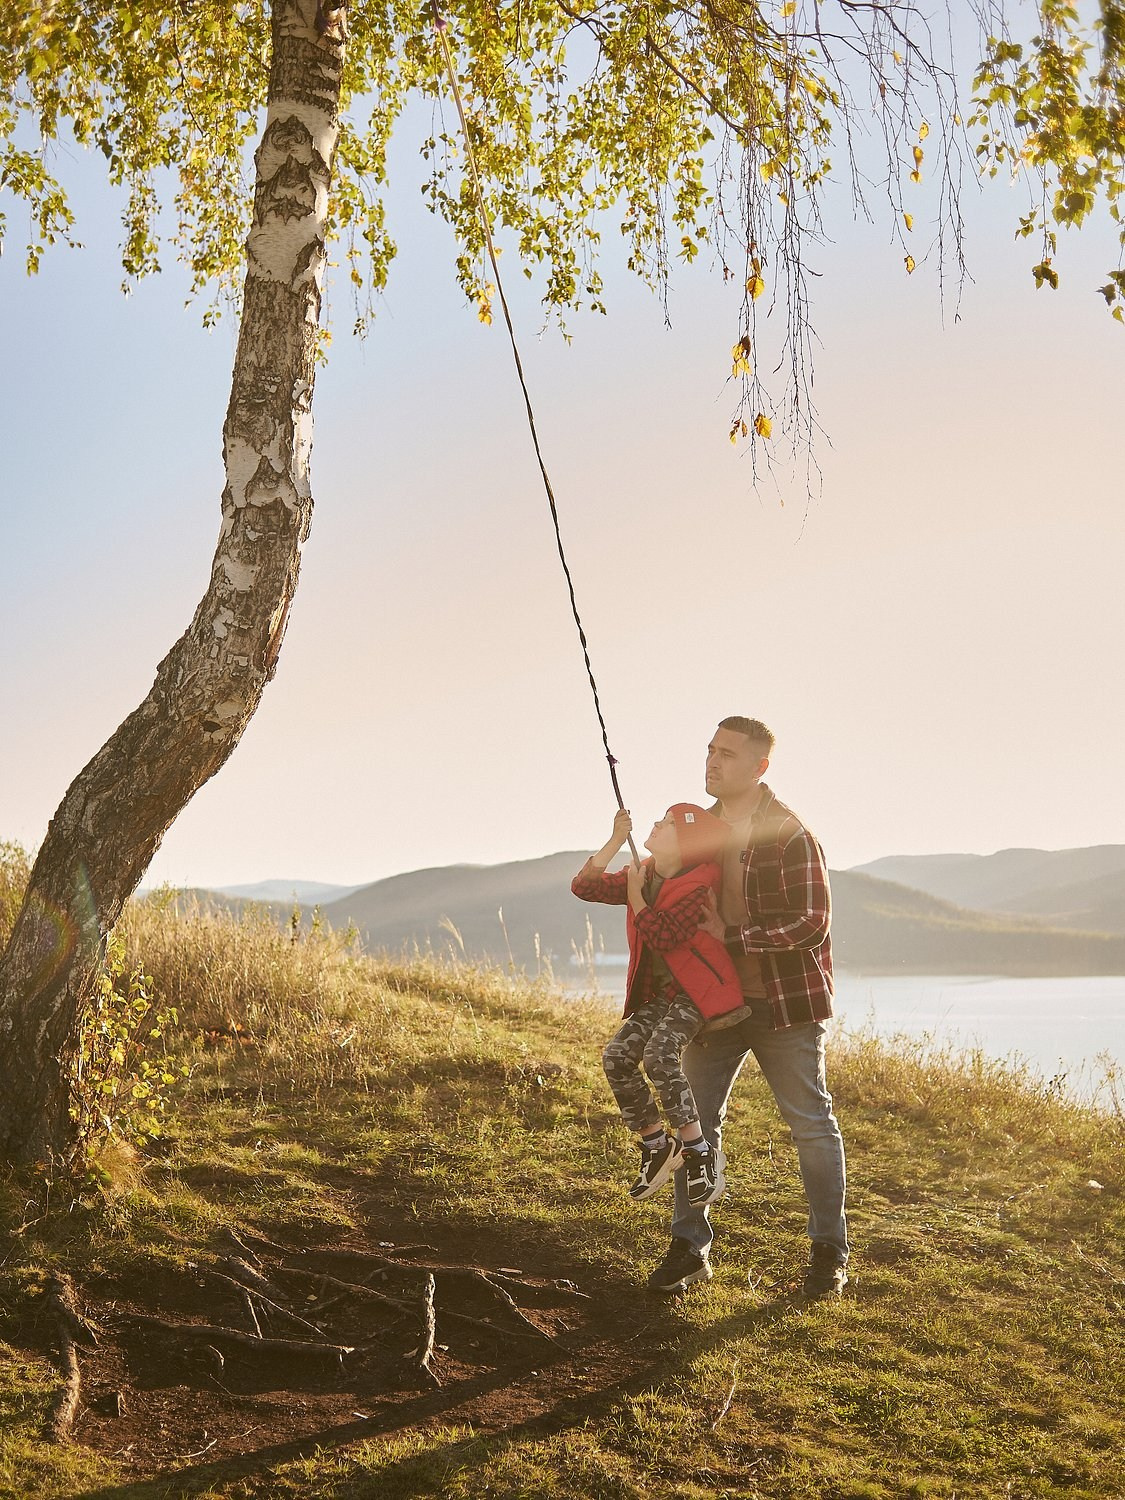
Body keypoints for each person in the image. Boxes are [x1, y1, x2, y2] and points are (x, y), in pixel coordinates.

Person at [645, 716, 850, 1299]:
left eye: (728, 754)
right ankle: (690, 1247)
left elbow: (813, 924)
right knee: (695, 1123)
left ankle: (828, 1253)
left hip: (785, 1006)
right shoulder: (692, 828)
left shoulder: (788, 834)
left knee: (811, 1126)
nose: (713, 762)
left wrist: (734, 938)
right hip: (711, 1006)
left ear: (760, 767)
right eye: (710, 750)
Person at [572, 803, 747, 1208]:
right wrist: (615, 841)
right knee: (617, 1056)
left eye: (668, 824)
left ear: (685, 845)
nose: (656, 823)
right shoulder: (646, 871)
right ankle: (656, 1144)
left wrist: (635, 896)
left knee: (659, 1054)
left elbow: (666, 935)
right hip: (661, 995)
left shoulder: (699, 884)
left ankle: (700, 1152)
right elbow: (585, 887)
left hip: (696, 992)